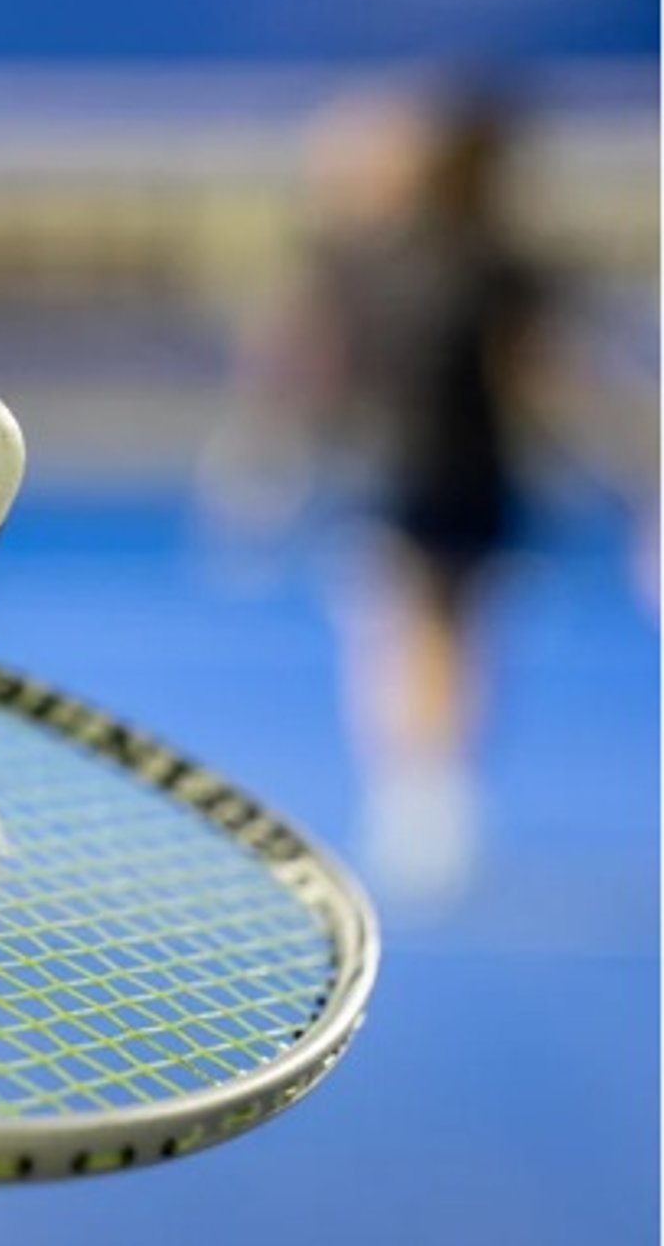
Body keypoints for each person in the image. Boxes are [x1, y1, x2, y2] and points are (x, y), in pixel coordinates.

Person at [204, 75, 561, 910]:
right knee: (440, 631)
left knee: (413, 631)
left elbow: (302, 359)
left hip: (415, 472)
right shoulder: (468, 262)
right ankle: (427, 789)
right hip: (451, 474)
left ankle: (420, 788)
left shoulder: (383, 259)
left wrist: (266, 454)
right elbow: (540, 380)